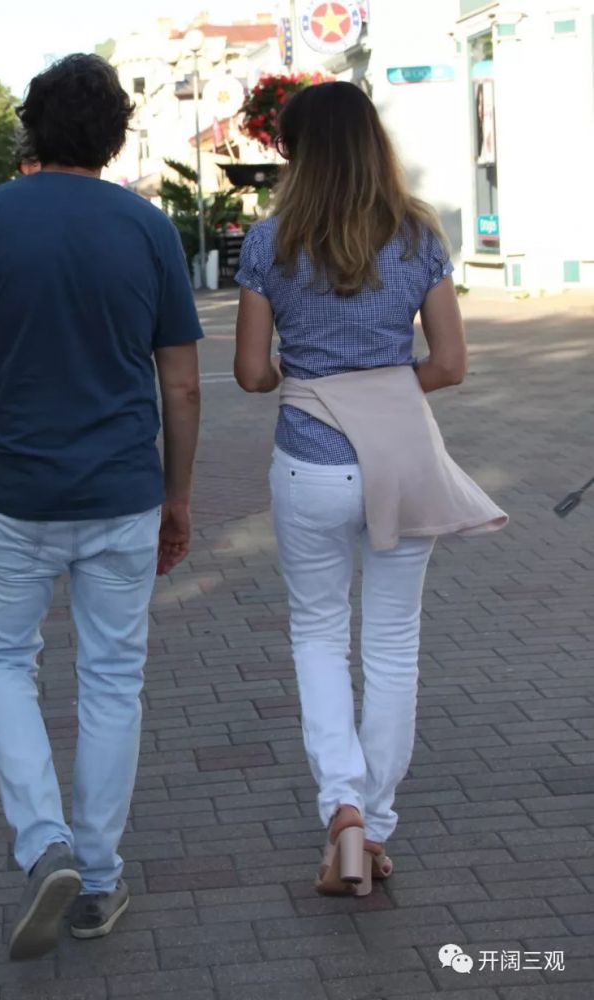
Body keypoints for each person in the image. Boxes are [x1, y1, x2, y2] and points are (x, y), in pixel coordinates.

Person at [0, 53, 202, 960]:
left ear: (33, 128)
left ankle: (44, 843)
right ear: (116, 135)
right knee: (113, 679)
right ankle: (102, 878)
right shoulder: (151, 228)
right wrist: (177, 495)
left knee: (4, 662)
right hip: (123, 492)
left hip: (19, 493)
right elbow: (182, 385)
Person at [233, 82, 506, 898]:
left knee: (319, 635)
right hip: (402, 460)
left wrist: (308, 384)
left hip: (309, 461)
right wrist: (381, 393)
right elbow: (449, 364)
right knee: (393, 645)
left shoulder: (271, 241)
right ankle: (376, 824)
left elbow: (250, 372)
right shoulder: (418, 235)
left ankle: (342, 811)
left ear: (297, 153)